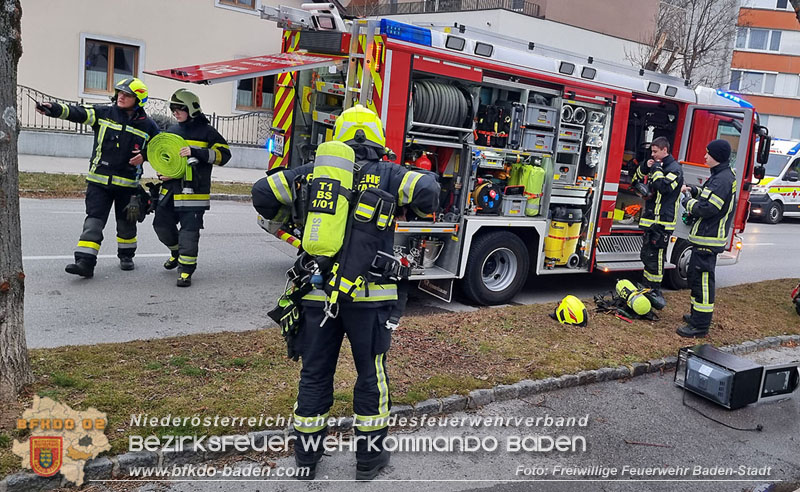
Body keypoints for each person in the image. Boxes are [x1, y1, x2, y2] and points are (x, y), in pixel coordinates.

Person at [251, 104, 439, 480]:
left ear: (336, 136)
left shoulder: (313, 175)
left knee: (315, 373)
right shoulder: (389, 173)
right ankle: (369, 460)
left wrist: (303, 208)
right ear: (377, 139)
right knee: (371, 375)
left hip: (316, 295)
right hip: (370, 300)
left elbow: (262, 194)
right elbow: (429, 192)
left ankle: (306, 457)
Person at [36, 78, 160, 277]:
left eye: (127, 94)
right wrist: (54, 109)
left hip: (128, 186)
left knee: (127, 223)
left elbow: (159, 149)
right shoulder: (104, 114)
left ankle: (126, 255)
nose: (121, 96)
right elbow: (78, 112)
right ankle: (85, 263)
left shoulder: (149, 126)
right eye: (119, 92)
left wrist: (145, 156)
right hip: (99, 183)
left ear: (138, 99)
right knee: (93, 223)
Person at [152, 89, 231, 287]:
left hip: (194, 192)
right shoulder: (172, 130)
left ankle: (186, 270)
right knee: (161, 225)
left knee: (189, 232)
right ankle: (176, 253)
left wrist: (197, 152)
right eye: (173, 109)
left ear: (191, 108)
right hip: (170, 189)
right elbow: (166, 157)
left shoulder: (207, 132)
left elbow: (224, 156)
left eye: (179, 109)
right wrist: (162, 172)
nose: (175, 113)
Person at [677, 139, 736, 338]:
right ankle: (696, 316)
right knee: (695, 278)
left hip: (708, 239)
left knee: (702, 282)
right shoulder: (722, 176)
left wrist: (688, 202)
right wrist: (695, 191)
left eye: (708, 154)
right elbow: (710, 196)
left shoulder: (721, 179)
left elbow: (709, 208)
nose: (705, 157)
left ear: (717, 156)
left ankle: (700, 325)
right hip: (705, 238)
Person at [630, 136, 683, 309]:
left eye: (655, 151)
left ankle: (655, 291)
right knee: (647, 255)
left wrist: (658, 168)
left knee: (657, 258)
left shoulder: (675, 169)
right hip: (650, 220)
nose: (652, 154)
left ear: (664, 150)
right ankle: (647, 287)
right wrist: (646, 166)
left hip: (663, 223)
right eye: (651, 151)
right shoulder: (654, 164)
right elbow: (635, 178)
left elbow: (664, 187)